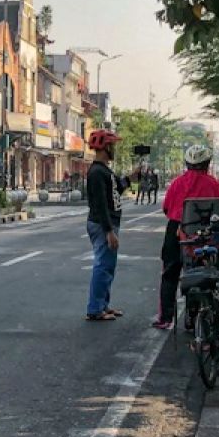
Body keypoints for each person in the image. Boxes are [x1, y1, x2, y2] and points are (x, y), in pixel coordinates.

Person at [151, 144, 219, 330]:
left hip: (177, 230)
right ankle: (200, 316)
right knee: (210, 270)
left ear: (187, 164)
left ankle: (165, 318)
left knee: (170, 272)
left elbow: (166, 209)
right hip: (206, 234)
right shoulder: (214, 183)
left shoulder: (177, 183)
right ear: (207, 164)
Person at [85, 129, 127, 321]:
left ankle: (103, 305)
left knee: (108, 266)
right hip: (103, 225)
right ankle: (95, 309)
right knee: (102, 265)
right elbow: (100, 204)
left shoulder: (105, 171)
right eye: (112, 145)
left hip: (109, 223)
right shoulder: (96, 172)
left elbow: (116, 189)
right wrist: (109, 231)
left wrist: (131, 178)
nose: (114, 149)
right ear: (105, 147)